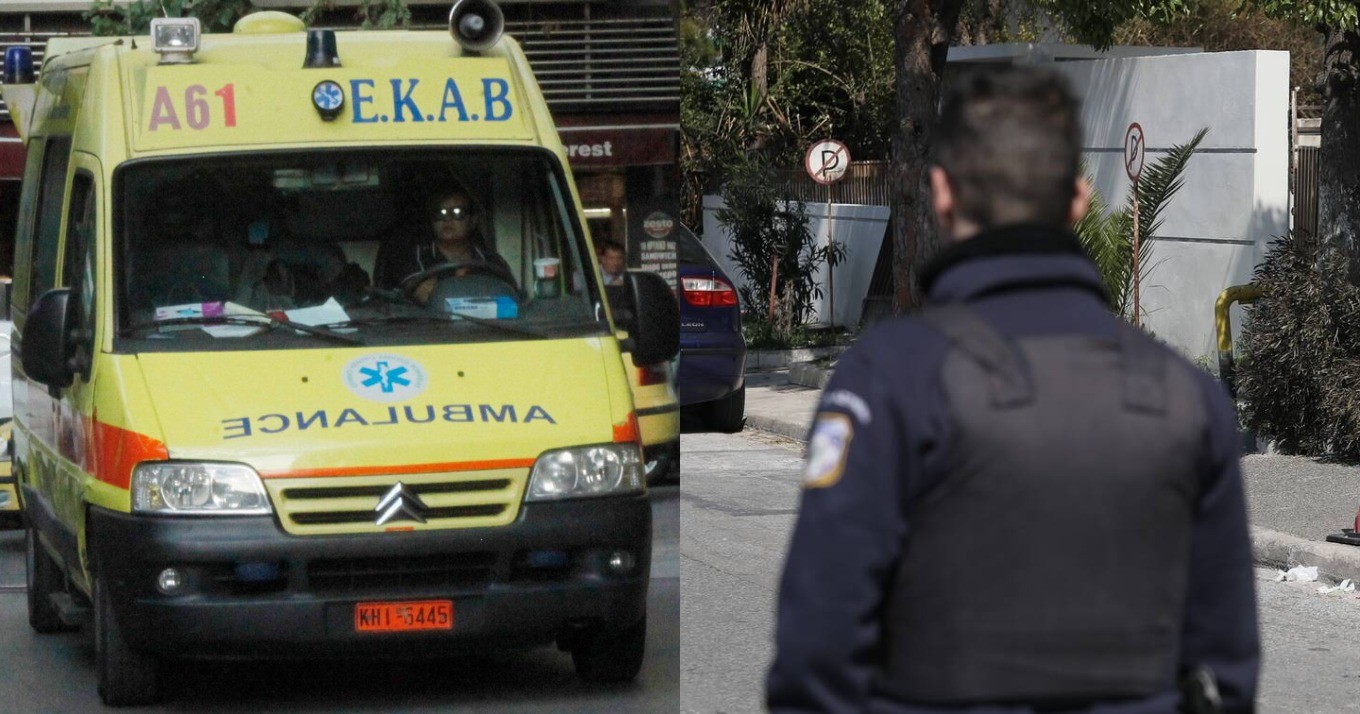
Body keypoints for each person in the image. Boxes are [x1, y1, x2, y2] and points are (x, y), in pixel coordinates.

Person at [766, 66, 1259, 714]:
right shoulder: (1188, 396)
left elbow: (817, 655)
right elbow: (1227, 671)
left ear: (942, 193)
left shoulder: (890, 379)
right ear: (1078, 201)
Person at [374, 184, 513, 303]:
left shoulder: (492, 261)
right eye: (439, 214)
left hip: (485, 326)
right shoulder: (413, 257)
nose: (447, 219)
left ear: (472, 221)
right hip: (429, 326)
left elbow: (511, 297)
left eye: (457, 212)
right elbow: (426, 296)